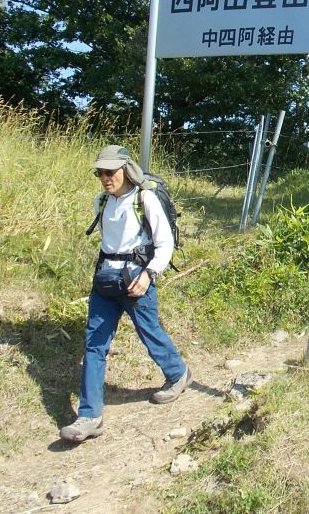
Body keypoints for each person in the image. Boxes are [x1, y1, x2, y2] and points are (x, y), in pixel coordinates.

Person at [59, 145, 191, 443]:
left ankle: (178, 373)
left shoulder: (145, 199)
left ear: (126, 170)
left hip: (136, 280)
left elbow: (164, 243)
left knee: (149, 331)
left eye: (111, 172)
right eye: (100, 172)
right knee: (94, 345)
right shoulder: (102, 202)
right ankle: (89, 416)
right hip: (105, 280)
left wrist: (149, 274)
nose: (105, 178)